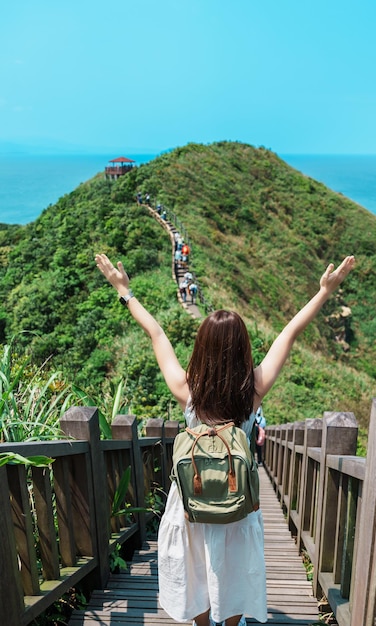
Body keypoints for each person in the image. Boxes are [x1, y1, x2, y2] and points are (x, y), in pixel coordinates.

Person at [94, 252, 355, 626]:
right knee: (230, 572)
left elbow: (156, 333)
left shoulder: (187, 390)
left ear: (201, 348)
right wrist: (324, 292)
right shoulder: (253, 392)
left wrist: (125, 291)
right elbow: (290, 333)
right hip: (236, 506)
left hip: (191, 504)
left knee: (196, 571)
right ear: (243, 348)